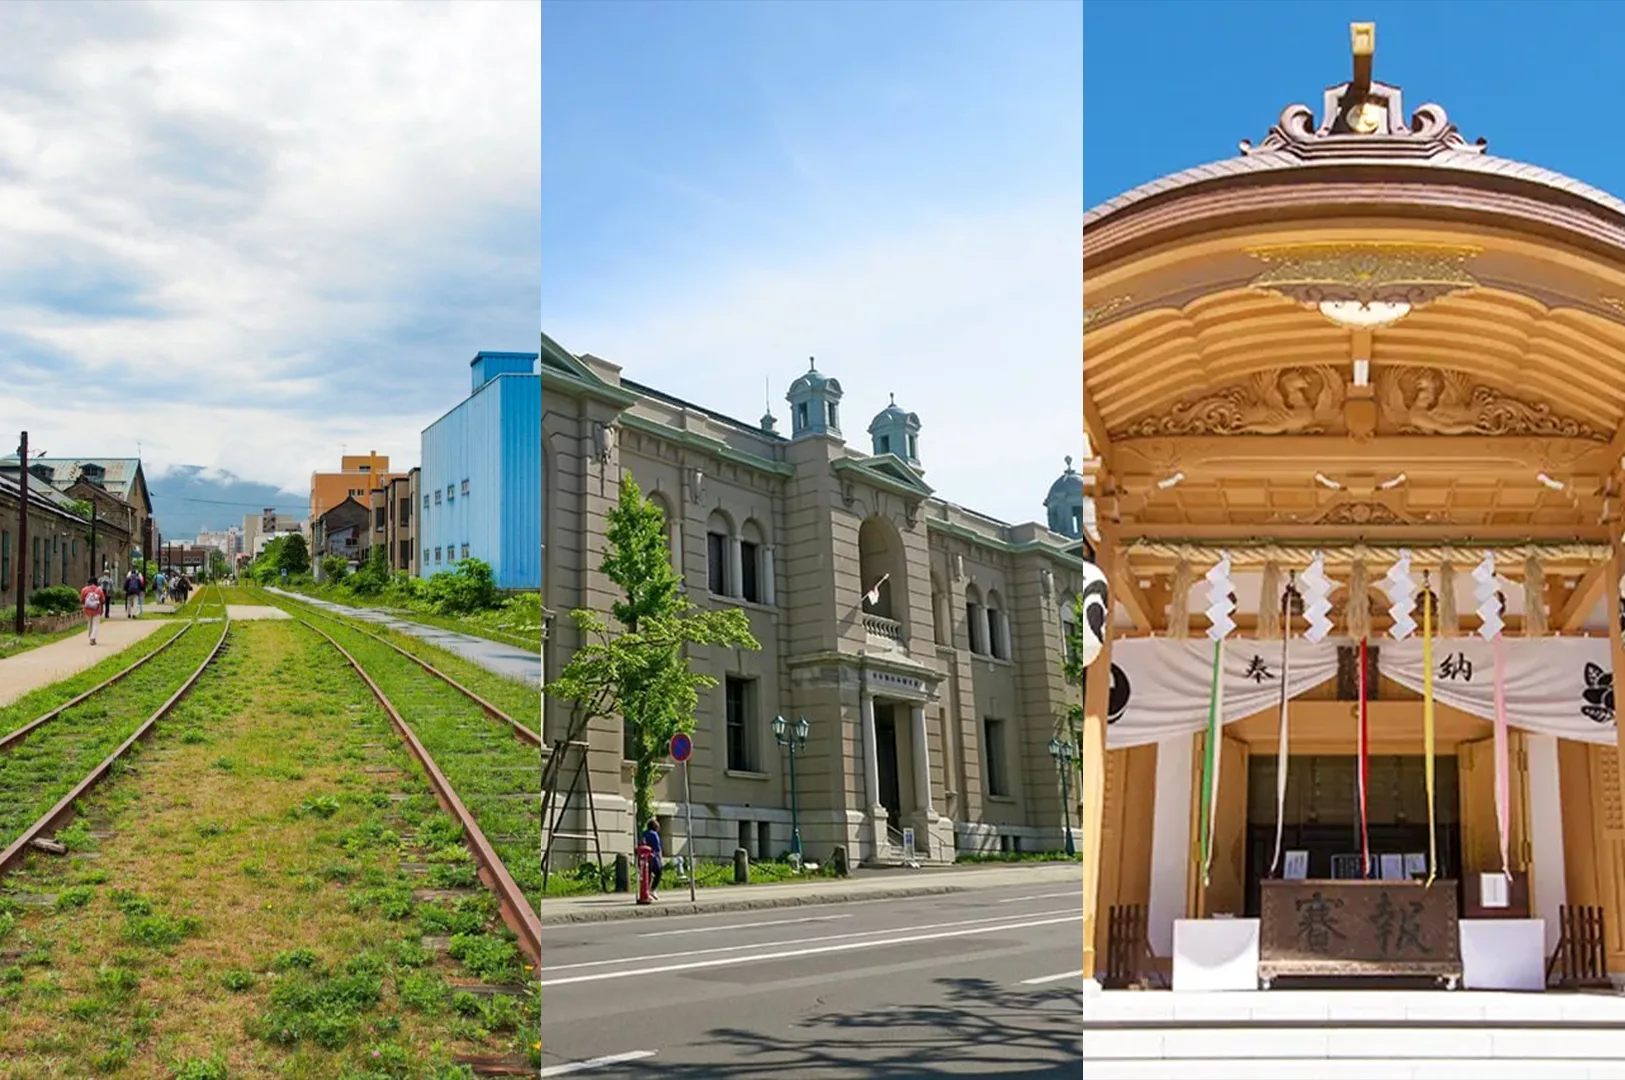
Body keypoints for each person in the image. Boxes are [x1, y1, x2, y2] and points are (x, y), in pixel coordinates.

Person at [641, 818, 664, 901]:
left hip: (643, 857)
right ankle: (652, 890)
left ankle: (646, 891)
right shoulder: (654, 834)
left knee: (647, 875)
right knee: (659, 872)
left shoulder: (644, 833)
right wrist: (660, 859)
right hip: (653, 857)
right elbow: (657, 848)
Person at [80, 576, 106, 645]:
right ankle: (92, 638)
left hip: (87, 610)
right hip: (96, 610)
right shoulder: (99, 590)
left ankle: (90, 635)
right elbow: (103, 600)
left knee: (89, 623)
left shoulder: (84, 589)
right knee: (95, 624)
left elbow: (82, 600)